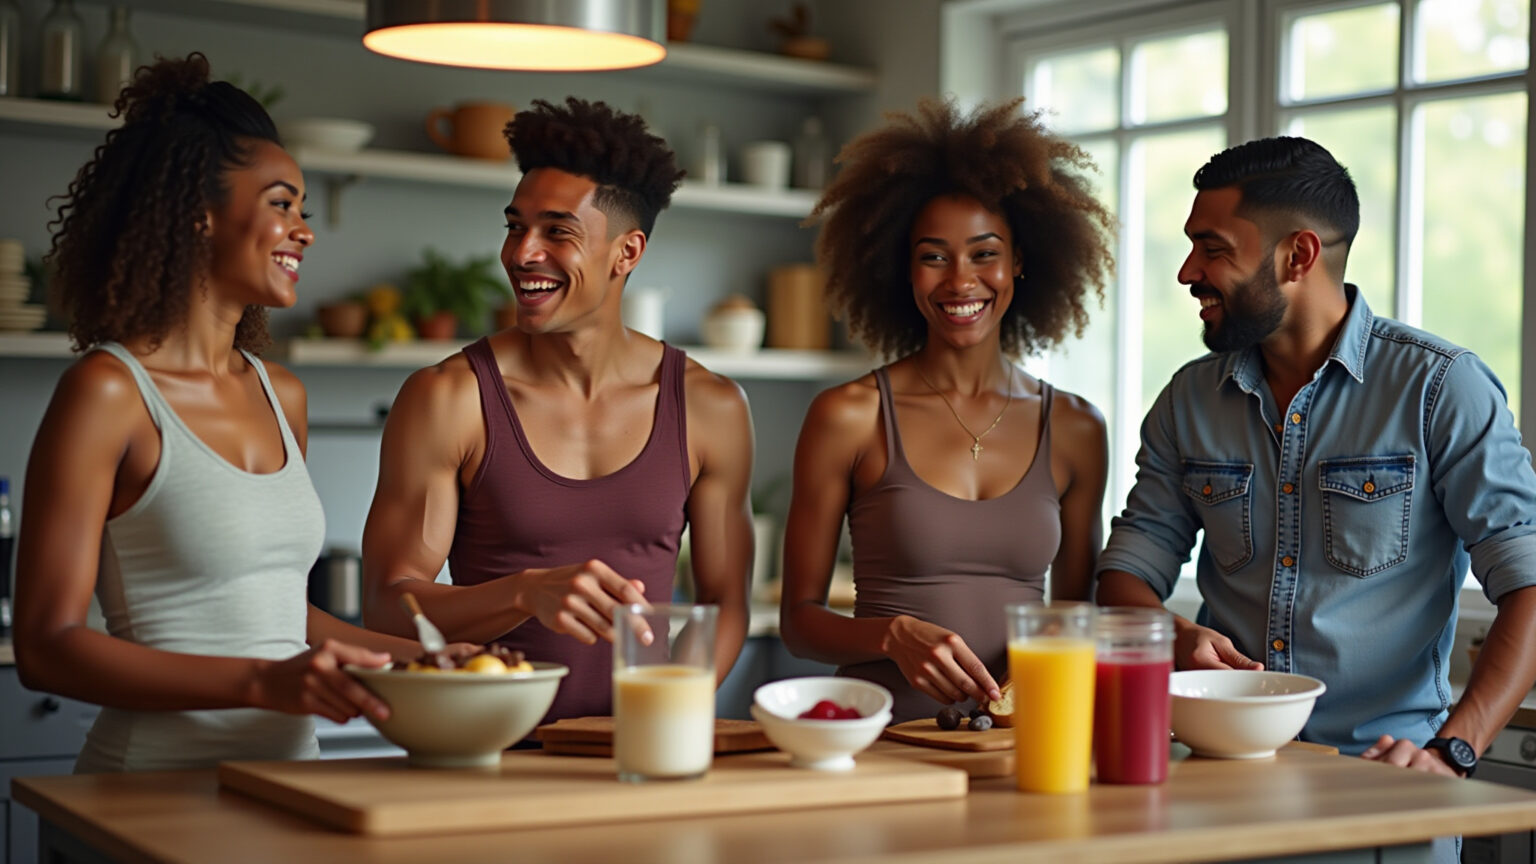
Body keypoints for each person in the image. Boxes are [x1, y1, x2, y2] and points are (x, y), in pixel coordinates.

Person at [12, 54, 433, 773]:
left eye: (303, 208)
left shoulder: (282, 395)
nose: (302, 230)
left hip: (287, 785)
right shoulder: (109, 393)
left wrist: (430, 657)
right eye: (280, 203)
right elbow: (46, 646)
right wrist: (261, 684)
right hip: (147, 793)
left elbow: (273, 617)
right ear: (197, 215)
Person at [1096, 136, 1536, 776]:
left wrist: (1454, 748)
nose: (1188, 271)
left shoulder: (1442, 388)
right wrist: (1177, 635)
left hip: (1388, 780)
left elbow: (1527, 583)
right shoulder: (1187, 400)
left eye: (1213, 249)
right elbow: (1125, 575)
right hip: (1216, 774)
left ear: (1297, 255)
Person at [360, 98, 754, 724]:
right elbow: (388, 605)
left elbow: (727, 601)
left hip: (640, 757)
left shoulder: (711, 407)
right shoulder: (449, 398)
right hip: (486, 753)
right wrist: (524, 593)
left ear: (627, 253)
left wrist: (672, 707)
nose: (521, 254)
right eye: (515, 226)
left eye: (556, 231)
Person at [778, 98, 1115, 723]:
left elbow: (1077, 619)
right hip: (885, 743)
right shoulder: (849, 416)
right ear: (904, 270)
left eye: (984, 254)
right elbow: (799, 623)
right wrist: (889, 635)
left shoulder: (1075, 428)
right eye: (934, 256)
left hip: (1022, 743)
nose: (960, 281)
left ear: (1018, 263)